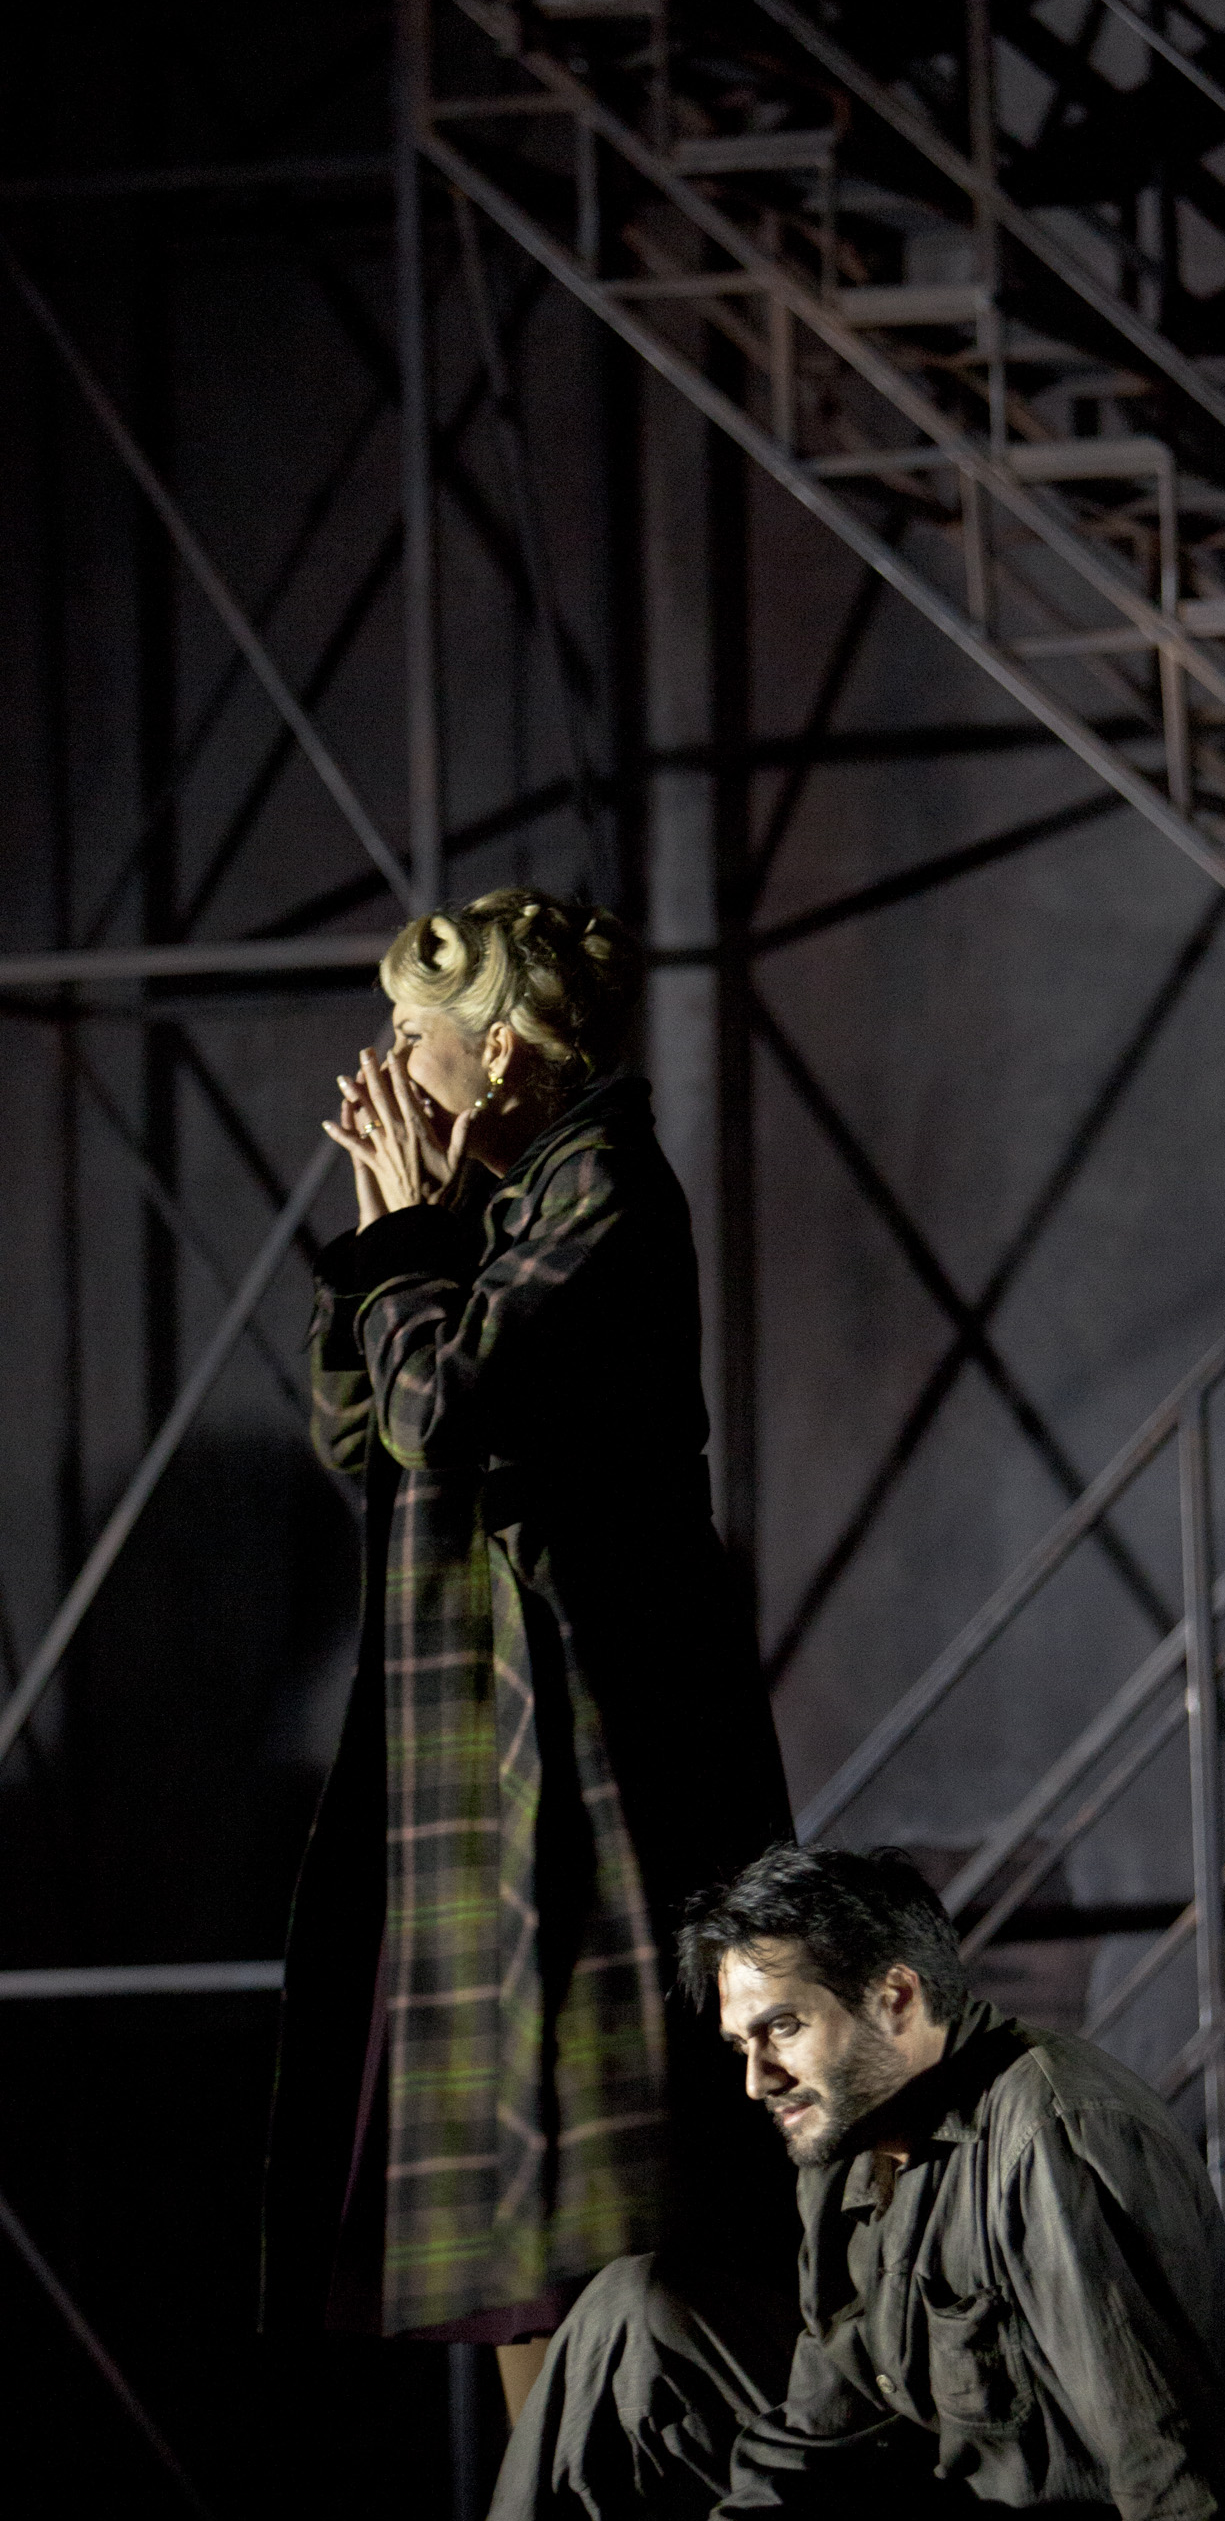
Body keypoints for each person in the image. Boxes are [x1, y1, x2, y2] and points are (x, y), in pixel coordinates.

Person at [266, 888, 791, 2426]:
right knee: (516, 2214)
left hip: (585, 1757)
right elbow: (361, 1434)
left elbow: (441, 1408)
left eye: (411, 1030)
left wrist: (405, 1239)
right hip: (489, 1769)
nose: (386, 1064)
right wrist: (388, 1238)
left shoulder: (600, 1185)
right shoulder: (497, 1207)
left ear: (496, 1051)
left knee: (598, 2197)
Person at [438, 1845, 1225, 2521]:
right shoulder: (852, 2136)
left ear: (896, 1997)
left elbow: (1178, 2468)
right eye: (740, 2042)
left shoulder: (1050, 2134)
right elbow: (824, 2418)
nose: (756, 2079)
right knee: (631, 2308)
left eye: (783, 2027)